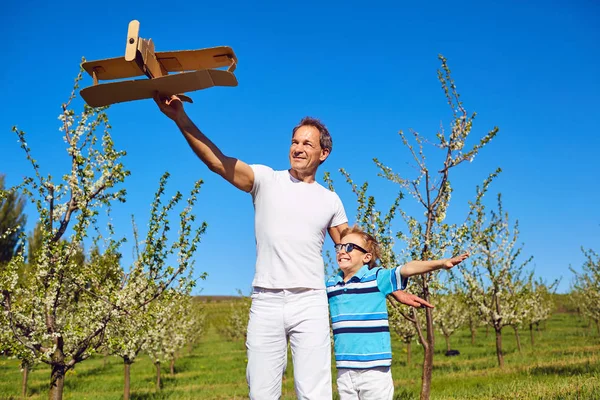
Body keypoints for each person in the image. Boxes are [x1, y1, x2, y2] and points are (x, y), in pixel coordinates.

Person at [153, 94, 433, 399]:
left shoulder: (330, 201)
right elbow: (217, 162)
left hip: (310, 303)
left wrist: (390, 287)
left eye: (307, 144)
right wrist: (179, 117)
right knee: (261, 392)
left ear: (324, 153)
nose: (298, 148)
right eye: (294, 142)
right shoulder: (265, 179)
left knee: (315, 394)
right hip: (266, 301)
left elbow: (353, 253)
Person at [326, 225, 469, 400]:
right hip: (344, 369)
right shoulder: (331, 285)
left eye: (349, 247)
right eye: (339, 247)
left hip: (375, 370)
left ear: (366, 257)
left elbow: (407, 268)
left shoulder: (377, 278)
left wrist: (440, 263)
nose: (342, 251)